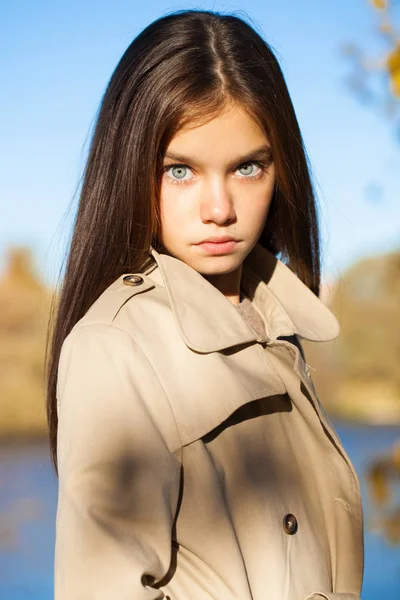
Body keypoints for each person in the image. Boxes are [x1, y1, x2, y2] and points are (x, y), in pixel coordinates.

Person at [46, 9, 364, 600]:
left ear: (280, 168)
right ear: (130, 171)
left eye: (247, 166)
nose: (220, 207)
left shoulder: (277, 324)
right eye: (180, 171)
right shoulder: (115, 347)